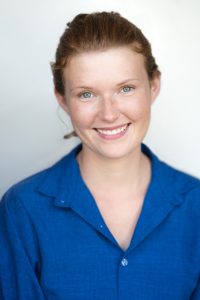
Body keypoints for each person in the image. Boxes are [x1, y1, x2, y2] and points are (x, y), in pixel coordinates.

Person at [0, 11, 200, 300]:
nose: (108, 114)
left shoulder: (196, 206)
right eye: (86, 94)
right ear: (62, 99)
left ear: (154, 85)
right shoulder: (23, 210)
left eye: (126, 88)